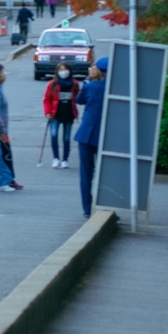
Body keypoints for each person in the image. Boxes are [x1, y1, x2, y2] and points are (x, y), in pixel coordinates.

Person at [73, 57, 107, 215]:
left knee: (86, 174)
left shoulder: (90, 86)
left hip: (86, 134)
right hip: (105, 135)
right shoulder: (114, 88)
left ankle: (87, 208)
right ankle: (105, 205)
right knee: (105, 173)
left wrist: (87, 81)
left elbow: (79, 100)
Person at [43, 62, 80, 167]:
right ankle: (56, 158)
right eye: (61, 70)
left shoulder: (74, 83)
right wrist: (48, 112)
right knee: (54, 135)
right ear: (57, 72)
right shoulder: (52, 84)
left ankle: (65, 159)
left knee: (66, 138)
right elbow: (47, 99)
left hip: (68, 113)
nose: (63, 72)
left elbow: (78, 96)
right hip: (55, 113)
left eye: (65, 69)